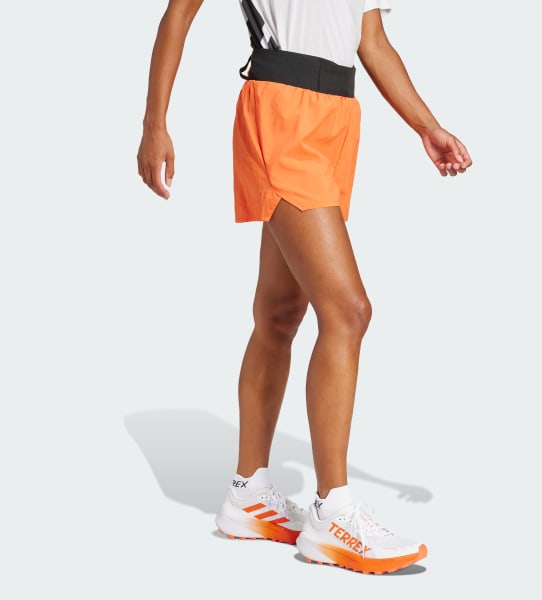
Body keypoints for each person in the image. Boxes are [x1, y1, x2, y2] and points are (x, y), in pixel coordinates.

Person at [137, 0, 472, 575]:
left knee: (279, 313)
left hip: (338, 117)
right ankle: (332, 514)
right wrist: (154, 125)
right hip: (281, 111)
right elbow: (178, 14)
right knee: (349, 311)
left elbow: (371, 41)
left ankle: (248, 495)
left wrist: (427, 126)